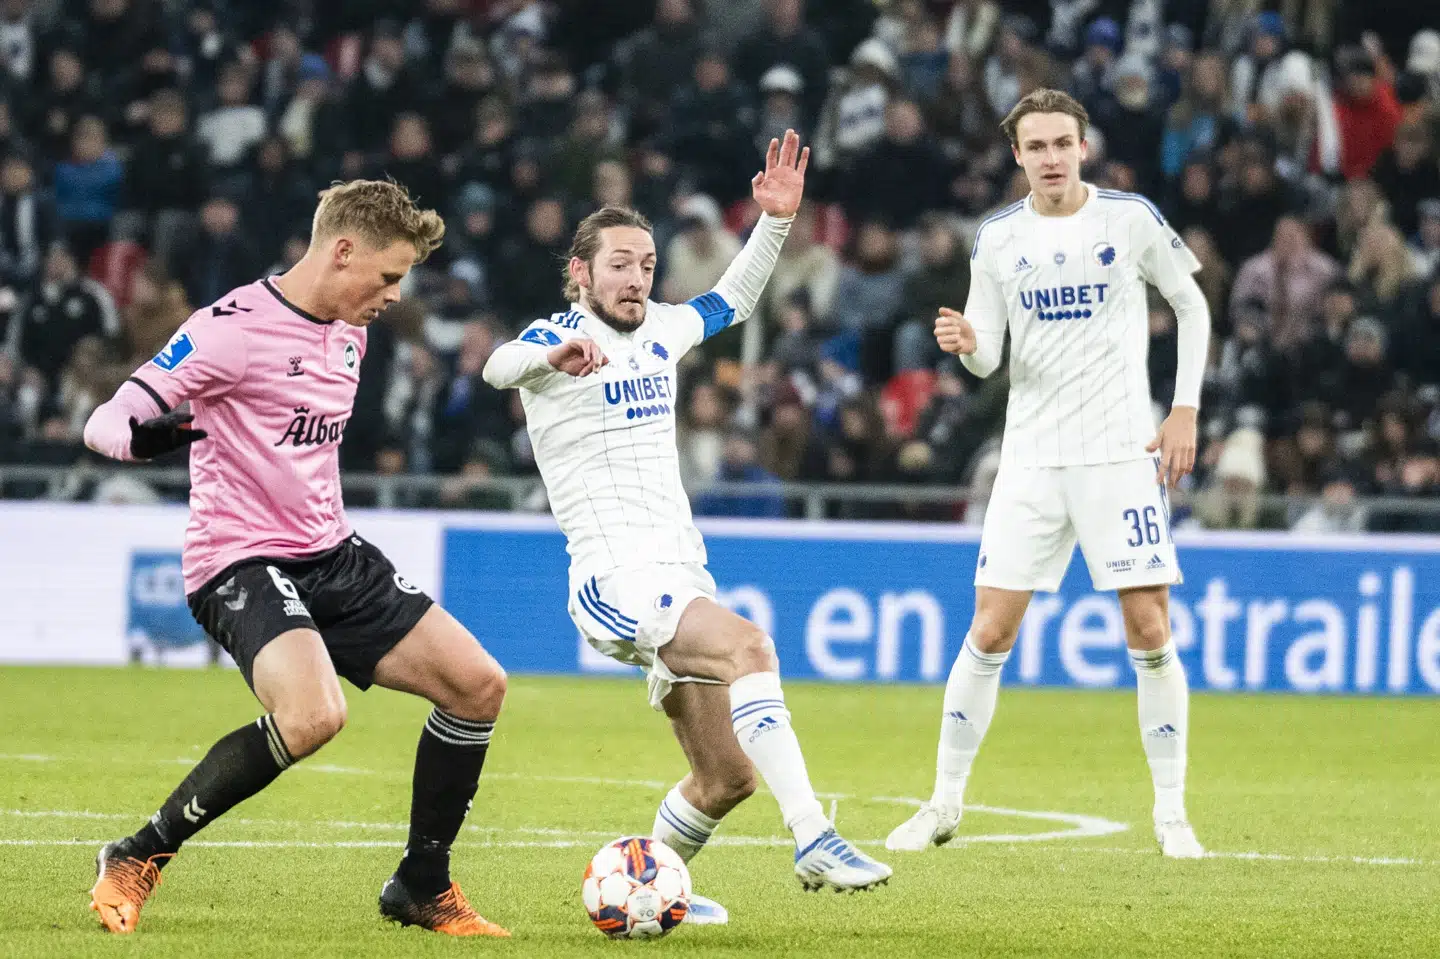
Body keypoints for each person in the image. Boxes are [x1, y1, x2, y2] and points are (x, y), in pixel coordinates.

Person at [80, 181, 511, 938]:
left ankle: (420, 883)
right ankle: (137, 852)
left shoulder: (351, 328)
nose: (393, 294)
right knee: (314, 714)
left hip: (330, 553)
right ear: (342, 250)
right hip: (237, 556)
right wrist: (139, 437)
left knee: (479, 685)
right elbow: (107, 418)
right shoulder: (230, 329)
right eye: (387, 275)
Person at [482, 131, 892, 919]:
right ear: (580, 272)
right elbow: (501, 363)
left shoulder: (664, 330)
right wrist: (553, 355)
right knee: (750, 646)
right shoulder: (552, 337)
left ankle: (644, 887)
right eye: (618, 264)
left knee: (724, 777)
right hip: (614, 579)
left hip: (680, 573)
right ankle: (812, 833)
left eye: (645, 264)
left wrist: (773, 222)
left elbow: (731, 301)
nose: (636, 279)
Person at [885, 89, 1211, 859]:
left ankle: (1171, 813)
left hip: (1121, 455)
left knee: (1150, 628)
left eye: (1063, 143)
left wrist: (1185, 408)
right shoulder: (996, 238)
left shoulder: (1128, 219)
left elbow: (1192, 306)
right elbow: (989, 356)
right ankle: (942, 803)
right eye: (1037, 147)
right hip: (1030, 460)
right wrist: (966, 341)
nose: (1052, 157)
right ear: (1018, 155)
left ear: (1083, 146)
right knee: (990, 629)